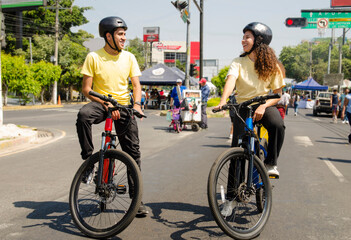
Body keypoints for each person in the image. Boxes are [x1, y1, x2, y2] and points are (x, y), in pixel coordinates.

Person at [76, 16, 148, 216]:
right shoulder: (93, 57)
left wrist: (137, 105)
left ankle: (137, 200)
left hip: (124, 106)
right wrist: (105, 103)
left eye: (125, 34)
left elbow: (136, 85)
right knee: (83, 115)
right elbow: (87, 89)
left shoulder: (129, 57)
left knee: (133, 154)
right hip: (101, 103)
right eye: (120, 34)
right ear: (108, 36)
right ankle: (88, 161)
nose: (124, 38)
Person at [216, 22, 285, 177]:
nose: (243, 40)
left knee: (277, 125)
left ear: (259, 41)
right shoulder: (238, 62)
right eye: (243, 37)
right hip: (243, 107)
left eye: (247, 37)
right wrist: (223, 101)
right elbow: (231, 81)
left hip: (264, 105)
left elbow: (278, 94)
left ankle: (270, 163)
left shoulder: (272, 65)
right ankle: (233, 194)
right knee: (238, 148)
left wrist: (263, 107)